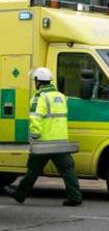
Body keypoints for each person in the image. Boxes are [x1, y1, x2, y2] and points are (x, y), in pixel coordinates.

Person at [3, 68, 82, 206]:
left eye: (35, 81)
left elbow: (35, 118)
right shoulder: (61, 96)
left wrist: (34, 136)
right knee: (68, 170)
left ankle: (20, 194)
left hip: (43, 142)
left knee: (33, 170)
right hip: (61, 141)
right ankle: (75, 197)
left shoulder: (39, 97)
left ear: (38, 82)